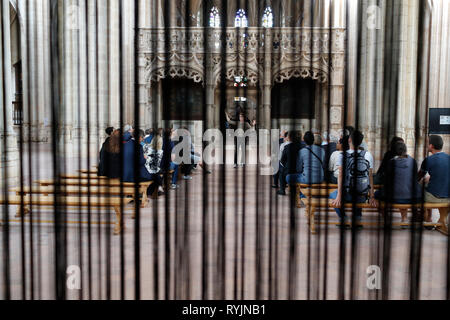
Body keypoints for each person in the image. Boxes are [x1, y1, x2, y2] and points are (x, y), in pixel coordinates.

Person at [329, 130, 377, 226]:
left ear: (349, 140)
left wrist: (339, 195)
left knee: (332, 196)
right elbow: (370, 177)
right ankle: (357, 218)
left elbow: (340, 176)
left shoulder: (342, 155)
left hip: (347, 194)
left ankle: (344, 218)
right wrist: (372, 196)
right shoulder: (368, 155)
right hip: (362, 196)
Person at [375, 141, 423, 223]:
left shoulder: (391, 162)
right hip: (411, 198)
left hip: (393, 198)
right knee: (405, 188)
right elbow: (415, 178)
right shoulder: (413, 161)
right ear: (405, 150)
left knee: (376, 194)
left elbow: (387, 180)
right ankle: (404, 218)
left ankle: (385, 216)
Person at [418, 135, 449, 234]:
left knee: (419, 188)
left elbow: (417, 178)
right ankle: (442, 220)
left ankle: (427, 218)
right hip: (448, 197)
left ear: (431, 146)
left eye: (427, 143)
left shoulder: (428, 160)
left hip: (433, 197)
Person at [122, 129, 160, 196]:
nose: (143, 140)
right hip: (134, 175)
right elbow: (141, 161)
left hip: (124, 174)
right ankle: (144, 194)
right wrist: (145, 158)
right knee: (156, 176)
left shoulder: (124, 145)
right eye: (142, 138)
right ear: (139, 137)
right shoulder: (138, 146)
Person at [278, 131, 303, 195]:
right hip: (300, 170)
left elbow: (282, 160)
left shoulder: (287, 147)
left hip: (289, 170)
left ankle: (282, 189)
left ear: (289, 138)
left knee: (281, 172)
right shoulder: (301, 146)